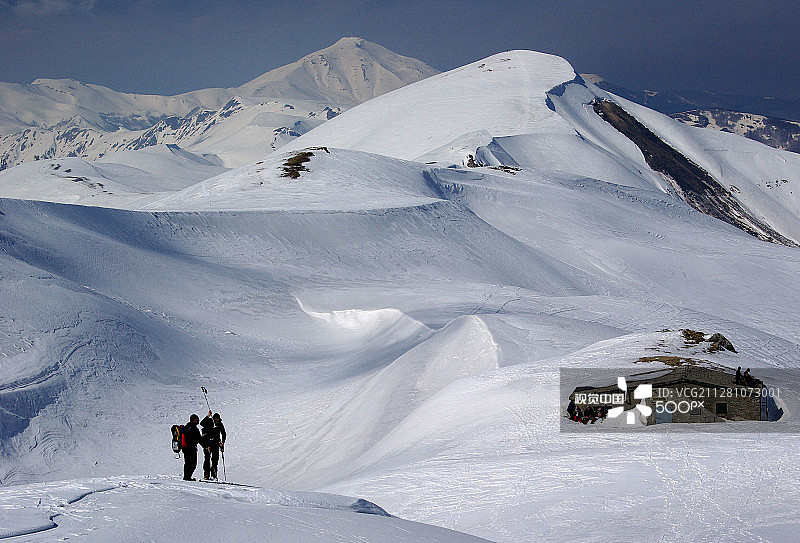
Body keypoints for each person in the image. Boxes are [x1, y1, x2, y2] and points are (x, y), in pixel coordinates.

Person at [200, 411, 226, 480]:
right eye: (216, 419)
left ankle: (214, 475)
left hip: (216, 444)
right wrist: (208, 416)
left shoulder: (220, 424)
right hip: (207, 443)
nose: (217, 421)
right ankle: (206, 475)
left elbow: (223, 433)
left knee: (215, 460)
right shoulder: (209, 422)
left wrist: (222, 442)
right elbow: (201, 423)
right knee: (207, 459)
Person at [181, 413, 205, 481]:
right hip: (191, 448)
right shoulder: (194, 428)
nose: (198, 421)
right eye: (196, 419)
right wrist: (206, 446)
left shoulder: (186, 427)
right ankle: (187, 477)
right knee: (192, 463)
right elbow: (199, 439)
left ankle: (186, 477)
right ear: (193, 420)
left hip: (185, 448)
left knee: (187, 463)